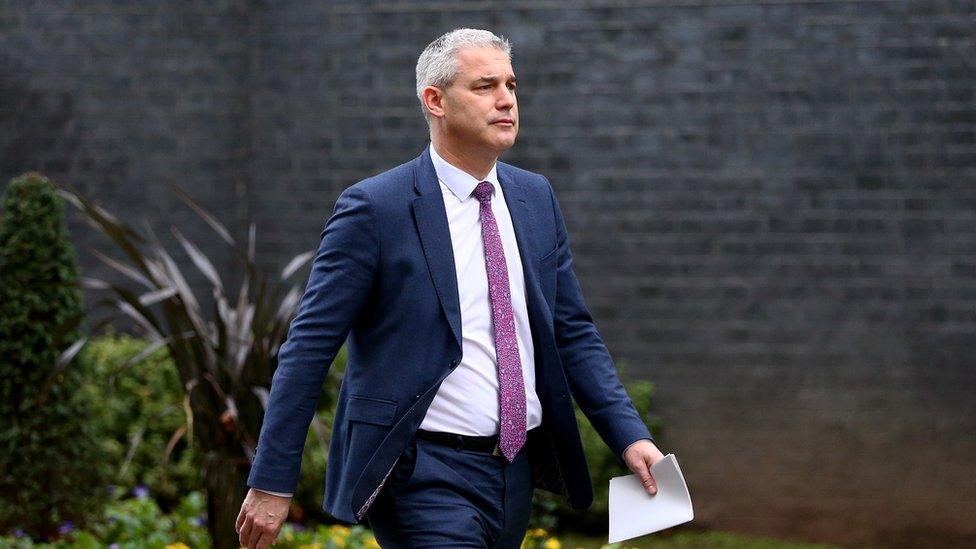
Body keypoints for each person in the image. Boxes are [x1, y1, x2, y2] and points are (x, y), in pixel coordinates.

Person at [236, 28, 665, 549]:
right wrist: (271, 479)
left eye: (511, 84)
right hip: (421, 472)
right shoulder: (375, 208)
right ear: (434, 100)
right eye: (485, 86)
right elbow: (307, 349)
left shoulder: (534, 197)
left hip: (514, 470)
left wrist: (629, 434)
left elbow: (571, 331)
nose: (506, 98)